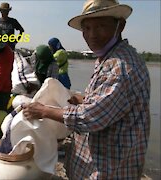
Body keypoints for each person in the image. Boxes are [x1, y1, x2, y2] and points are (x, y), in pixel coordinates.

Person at [22, 0, 150, 179]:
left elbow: (89, 118)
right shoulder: (107, 59)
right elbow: (108, 104)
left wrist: (43, 111)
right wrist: (82, 99)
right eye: (87, 28)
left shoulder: (121, 67)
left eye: (100, 26)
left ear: (120, 26)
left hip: (109, 170)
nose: (92, 35)